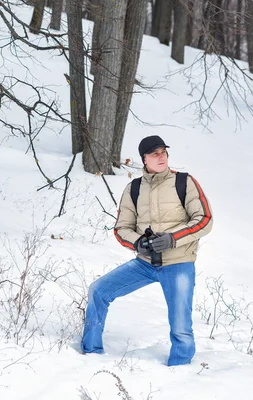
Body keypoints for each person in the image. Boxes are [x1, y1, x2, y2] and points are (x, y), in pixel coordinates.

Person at [80, 135, 213, 366]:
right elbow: (122, 229)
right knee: (98, 291)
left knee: (181, 326)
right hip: (144, 263)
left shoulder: (184, 182)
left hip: (178, 262)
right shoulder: (133, 189)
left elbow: (204, 220)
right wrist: (139, 242)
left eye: (163, 152)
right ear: (144, 159)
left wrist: (173, 239)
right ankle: (90, 355)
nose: (161, 156)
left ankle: (180, 369)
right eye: (155, 153)